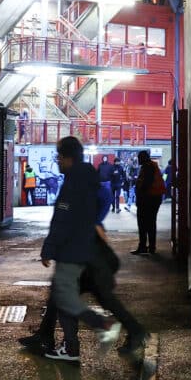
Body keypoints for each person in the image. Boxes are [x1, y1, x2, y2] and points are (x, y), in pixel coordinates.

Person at [39, 136, 123, 349]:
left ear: (68, 158)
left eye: (59, 157)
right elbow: (101, 200)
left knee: (65, 299)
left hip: (71, 250)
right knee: (62, 295)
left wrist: (49, 248)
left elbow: (61, 218)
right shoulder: (88, 178)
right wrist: (95, 222)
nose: (57, 161)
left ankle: (97, 329)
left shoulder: (73, 181)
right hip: (82, 247)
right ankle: (61, 343)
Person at [132, 150, 165, 255]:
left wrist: (139, 199)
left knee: (143, 224)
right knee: (151, 223)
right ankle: (151, 247)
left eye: (139, 158)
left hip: (148, 200)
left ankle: (144, 247)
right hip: (153, 199)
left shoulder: (148, 167)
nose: (138, 160)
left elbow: (145, 185)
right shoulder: (151, 166)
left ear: (142, 158)